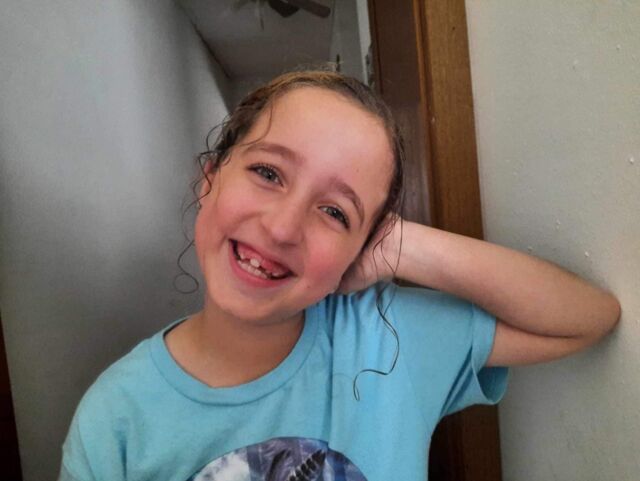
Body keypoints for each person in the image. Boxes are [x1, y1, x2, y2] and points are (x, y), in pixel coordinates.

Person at [59, 69, 621, 481]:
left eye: (335, 212)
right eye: (268, 172)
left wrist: (405, 246)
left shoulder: (386, 338)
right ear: (209, 180)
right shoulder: (115, 417)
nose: (282, 227)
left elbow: (589, 318)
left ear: (364, 244)